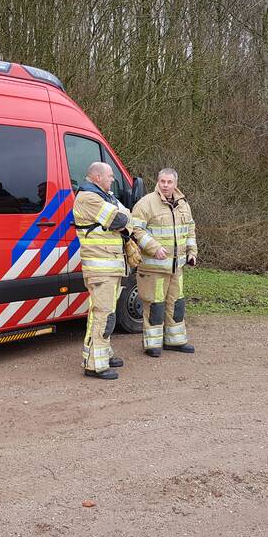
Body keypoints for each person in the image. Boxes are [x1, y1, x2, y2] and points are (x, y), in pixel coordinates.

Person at [73, 162, 166, 379]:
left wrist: (125, 220)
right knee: (102, 316)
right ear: (96, 177)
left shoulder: (105, 197)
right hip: (101, 269)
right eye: (110, 175)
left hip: (111, 268)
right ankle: (95, 365)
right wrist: (124, 220)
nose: (113, 179)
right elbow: (120, 219)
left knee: (107, 315)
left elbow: (126, 216)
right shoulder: (88, 197)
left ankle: (103, 354)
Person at [131, 168, 198, 357]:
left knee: (176, 304)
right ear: (157, 182)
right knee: (155, 306)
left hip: (176, 268)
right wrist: (154, 247)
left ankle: (175, 341)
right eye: (162, 181)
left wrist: (192, 252)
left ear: (175, 183)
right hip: (153, 268)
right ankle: (152, 345)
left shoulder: (183, 204)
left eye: (169, 182)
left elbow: (190, 229)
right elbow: (135, 229)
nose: (165, 185)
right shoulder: (146, 203)